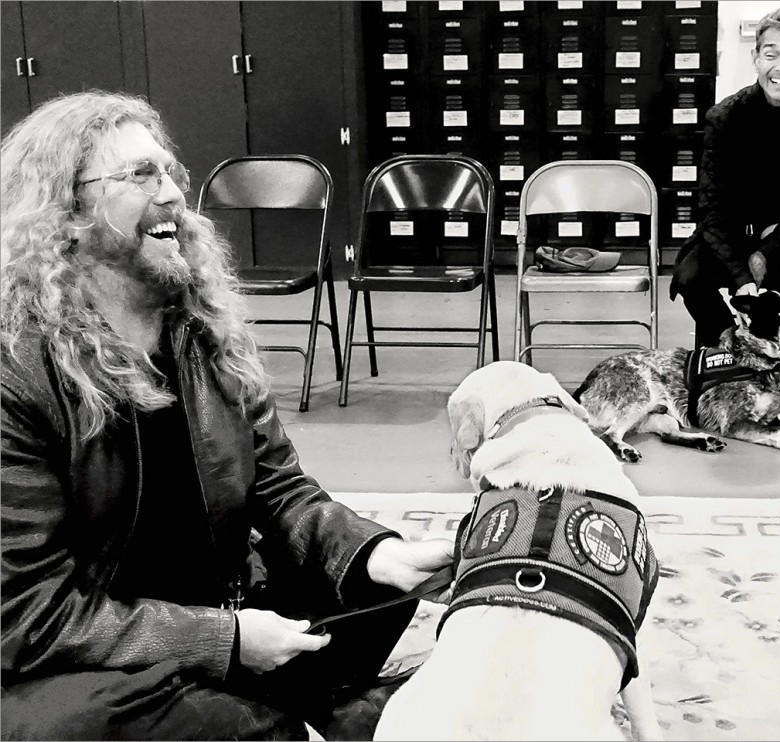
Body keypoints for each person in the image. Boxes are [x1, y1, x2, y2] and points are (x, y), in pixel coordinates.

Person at [0, 91, 454, 741]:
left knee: (380, 590)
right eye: (139, 175)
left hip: (214, 606)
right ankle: (272, 713)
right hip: (74, 655)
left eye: (170, 172)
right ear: (65, 215)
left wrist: (381, 556)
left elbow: (279, 489)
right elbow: (27, 618)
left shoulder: (202, 331)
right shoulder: (16, 373)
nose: (173, 195)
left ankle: (259, 704)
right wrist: (225, 640)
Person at [669, 7, 780, 351]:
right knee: (690, 277)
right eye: (771, 54)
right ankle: (729, 348)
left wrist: (767, 250)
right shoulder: (725, 115)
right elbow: (711, 206)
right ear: (756, 58)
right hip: (732, 233)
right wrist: (740, 273)